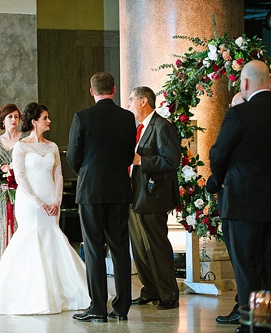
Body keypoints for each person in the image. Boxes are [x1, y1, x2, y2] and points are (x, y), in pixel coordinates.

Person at [0, 102, 90, 314]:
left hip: (51, 199)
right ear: (34, 122)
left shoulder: (51, 147)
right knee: (30, 237)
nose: (49, 121)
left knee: (53, 236)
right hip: (30, 202)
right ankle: (31, 294)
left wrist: (56, 201)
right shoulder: (21, 147)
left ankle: (64, 291)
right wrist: (39, 203)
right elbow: (21, 178)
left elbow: (58, 175)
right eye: (45, 118)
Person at [209, 60, 271, 333]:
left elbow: (218, 155)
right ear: (269, 81)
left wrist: (219, 181)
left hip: (244, 208)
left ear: (244, 84)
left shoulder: (240, 114)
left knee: (248, 273)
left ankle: (252, 328)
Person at [67, 72, 136, 322]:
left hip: (91, 190)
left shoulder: (83, 117)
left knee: (95, 248)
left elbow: (73, 155)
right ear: (114, 90)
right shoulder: (128, 117)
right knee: (119, 248)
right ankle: (122, 307)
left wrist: (86, 174)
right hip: (119, 189)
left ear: (91, 91)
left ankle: (98, 307)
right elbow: (129, 155)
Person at [127, 86, 181, 310]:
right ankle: (149, 289)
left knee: (157, 246)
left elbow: (171, 161)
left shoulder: (162, 126)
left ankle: (168, 293)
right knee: (139, 247)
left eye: (131, 99)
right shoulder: (137, 128)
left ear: (143, 101)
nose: (128, 104)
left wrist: (142, 161)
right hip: (134, 195)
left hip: (153, 196)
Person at [207, 92, 244, 325]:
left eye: (233, 105)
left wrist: (214, 182)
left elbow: (219, 156)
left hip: (238, 200)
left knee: (242, 261)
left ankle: (245, 307)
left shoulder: (237, 120)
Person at [0, 103, 23, 289]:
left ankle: (20, 276)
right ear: (3, 120)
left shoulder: (24, 140)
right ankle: (1, 278)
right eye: (10, 117)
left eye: (16, 116)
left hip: (20, 193)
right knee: (2, 230)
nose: (14, 120)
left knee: (19, 229)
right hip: (1, 194)